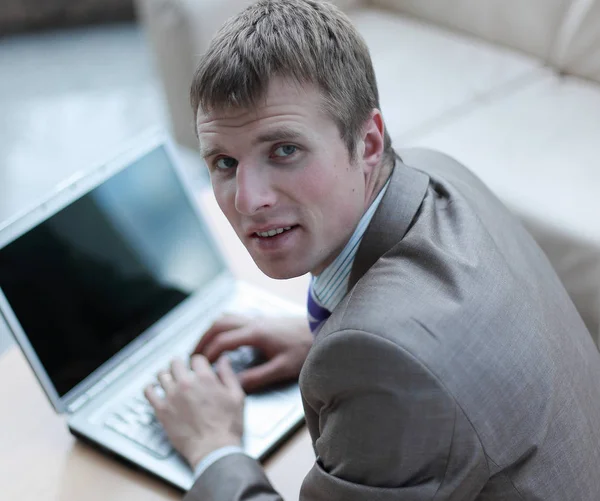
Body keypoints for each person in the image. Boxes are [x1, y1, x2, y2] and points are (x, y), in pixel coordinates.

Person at [144, 0, 600, 499]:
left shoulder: (389, 363)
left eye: (284, 151)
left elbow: (409, 362)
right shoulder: (437, 173)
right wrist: (320, 338)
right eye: (225, 162)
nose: (249, 200)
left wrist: (214, 446)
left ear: (368, 143)